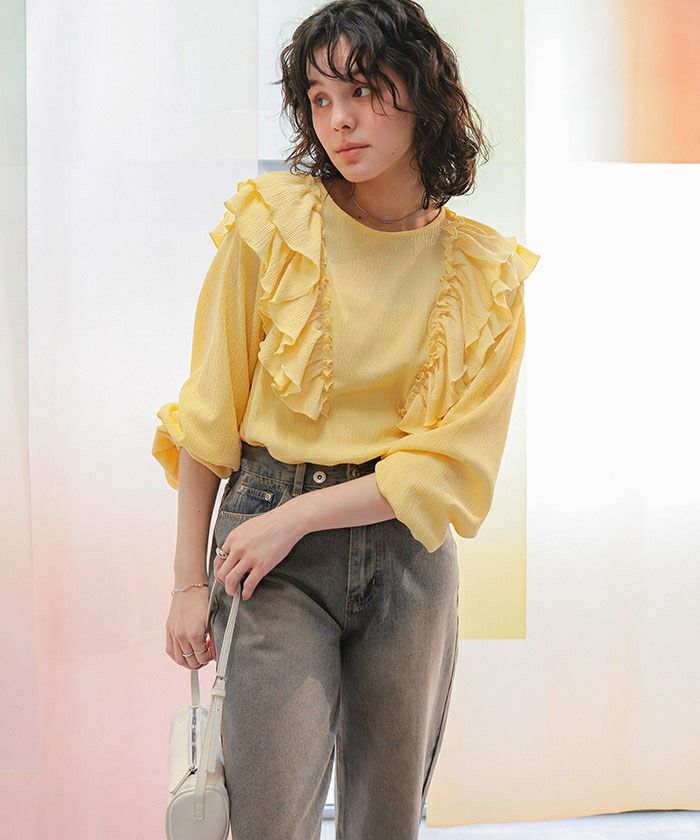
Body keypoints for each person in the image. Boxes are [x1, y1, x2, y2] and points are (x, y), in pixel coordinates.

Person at [152, 1, 540, 838]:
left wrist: (302, 516)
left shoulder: (488, 276)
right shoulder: (273, 225)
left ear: (423, 90)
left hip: (405, 558)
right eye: (320, 99)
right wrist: (188, 583)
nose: (339, 120)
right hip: (266, 557)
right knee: (268, 818)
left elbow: (449, 468)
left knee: (388, 820)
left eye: (362, 89)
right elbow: (207, 418)